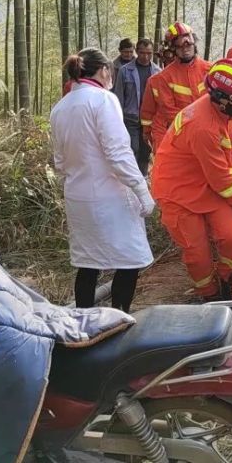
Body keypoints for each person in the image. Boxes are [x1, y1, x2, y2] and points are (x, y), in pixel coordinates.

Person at [49, 47, 156, 313]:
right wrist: (141, 188)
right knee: (130, 260)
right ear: (104, 70)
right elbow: (118, 152)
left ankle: (85, 325)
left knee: (88, 264)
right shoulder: (103, 100)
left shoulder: (60, 108)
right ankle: (119, 319)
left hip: (77, 196)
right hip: (110, 196)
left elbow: (60, 162)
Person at [151, 58, 232, 301]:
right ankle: (210, 296)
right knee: (197, 253)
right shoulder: (203, 126)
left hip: (209, 186)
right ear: (226, 99)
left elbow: (226, 166)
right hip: (178, 191)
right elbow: (221, 179)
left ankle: (229, 283)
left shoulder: (228, 113)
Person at [139, 22, 212, 152]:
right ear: (173, 49)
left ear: (194, 43)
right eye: (180, 46)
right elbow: (168, 112)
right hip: (174, 134)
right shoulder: (163, 78)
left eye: (188, 44)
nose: (185, 49)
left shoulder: (210, 70)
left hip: (206, 132)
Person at [114, 38, 159, 175]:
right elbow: (119, 97)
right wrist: (117, 121)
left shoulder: (158, 72)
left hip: (150, 120)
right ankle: (131, 182)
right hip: (130, 118)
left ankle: (143, 178)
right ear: (137, 52)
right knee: (132, 149)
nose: (145, 56)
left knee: (146, 151)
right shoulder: (125, 71)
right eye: (142, 53)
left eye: (149, 53)